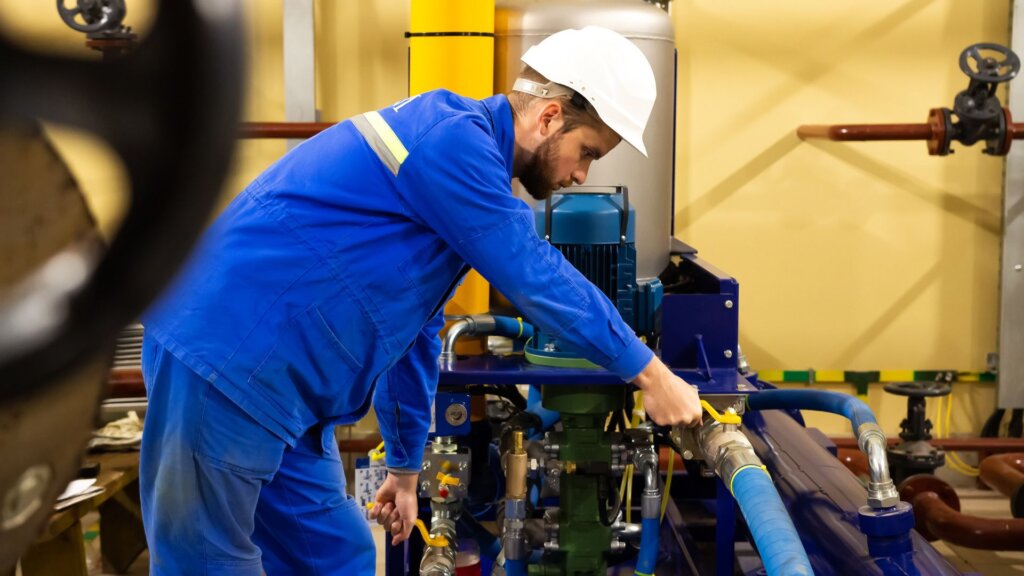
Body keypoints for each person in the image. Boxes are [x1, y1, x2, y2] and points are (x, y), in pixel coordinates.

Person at [138, 25, 702, 575]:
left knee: (336, 558)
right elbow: (537, 274)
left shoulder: (460, 174)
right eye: (587, 153)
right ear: (549, 116)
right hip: (224, 358)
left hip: (284, 391)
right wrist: (651, 374)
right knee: (208, 562)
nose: (580, 174)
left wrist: (406, 470)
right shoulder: (452, 139)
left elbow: (412, 334)